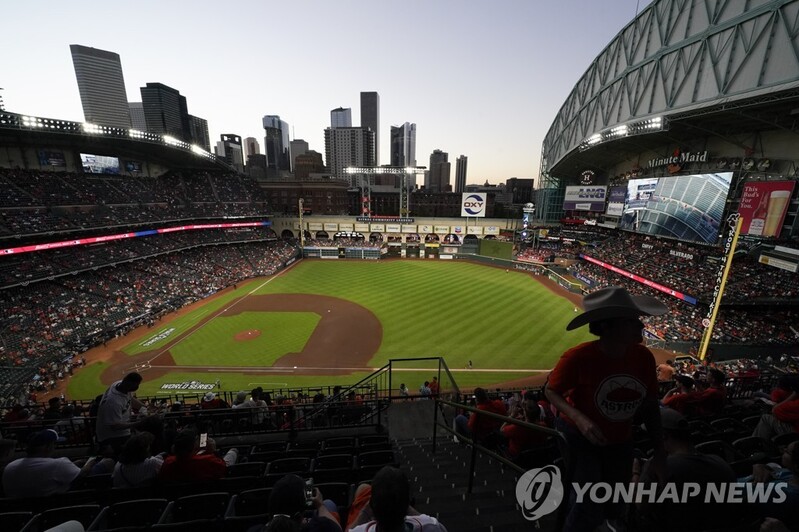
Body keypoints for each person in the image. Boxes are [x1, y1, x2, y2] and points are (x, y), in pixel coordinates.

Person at [544, 286, 667, 531]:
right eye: (631, 321)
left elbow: (651, 405)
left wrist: (660, 451)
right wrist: (579, 419)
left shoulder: (644, 358)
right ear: (607, 326)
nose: (641, 326)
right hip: (579, 436)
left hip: (620, 438)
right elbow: (550, 391)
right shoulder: (578, 357)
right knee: (589, 500)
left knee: (614, 503)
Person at [632, 408, 739, 531]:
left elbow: (641, 505)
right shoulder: (720, 462)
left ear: (663, 436)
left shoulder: (656, 466)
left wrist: (635, 473)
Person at [2, 429, 99, 498]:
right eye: (54, 444)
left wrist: (73, 464)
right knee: (106, 463)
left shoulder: (10, 467)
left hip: (21, 514)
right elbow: (83, 474)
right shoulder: (59, 464)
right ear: (48, 447)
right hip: (58, 508)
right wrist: (91, 460)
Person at [348, 466, 447, 531]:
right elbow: (431, 522)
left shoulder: (359, 530)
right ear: (408, 504)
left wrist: (364, 512)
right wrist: (400, 501)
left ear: (372, 505)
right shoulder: (431, 527)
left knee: (362, 488)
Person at [248, 474, 341, 531]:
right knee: (328, 504)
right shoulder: (320, 526)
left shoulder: (255, 530)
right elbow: (336, 529)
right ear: (299, 515)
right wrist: (320, 505)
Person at [159, 429, 237, 483]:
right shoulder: (209, 460)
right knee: (233, 451)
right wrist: (213, 452)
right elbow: (223, 467)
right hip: (210, 494)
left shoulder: (168, 462)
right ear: (193, 446)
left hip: (181, 501)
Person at [96, 372, 144, 455]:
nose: (137, 387)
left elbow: (129, 398)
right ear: (128, 384)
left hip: (121, 429)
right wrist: (138, 423)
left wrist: (144, 407)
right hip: (112, 436)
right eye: (135, 386)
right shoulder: (113, 402)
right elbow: (114, 426)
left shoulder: (119, 384)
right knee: (132, 452)